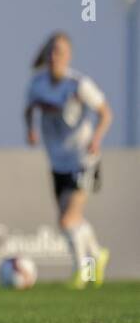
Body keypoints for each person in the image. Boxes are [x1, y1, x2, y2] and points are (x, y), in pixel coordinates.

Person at [25, 32, 112, 287]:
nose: (55, 56)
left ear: (68, 56)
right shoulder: (37, 83)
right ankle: (97, 254)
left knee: (67, 220)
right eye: (52, 51)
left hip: (83, 158)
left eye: (60, 52)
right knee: (67, 219)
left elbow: (106, 113)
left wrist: (96, 139)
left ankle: (81, 271)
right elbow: (29, 108)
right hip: (57, 160)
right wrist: (30, 129)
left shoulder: (78, 84)